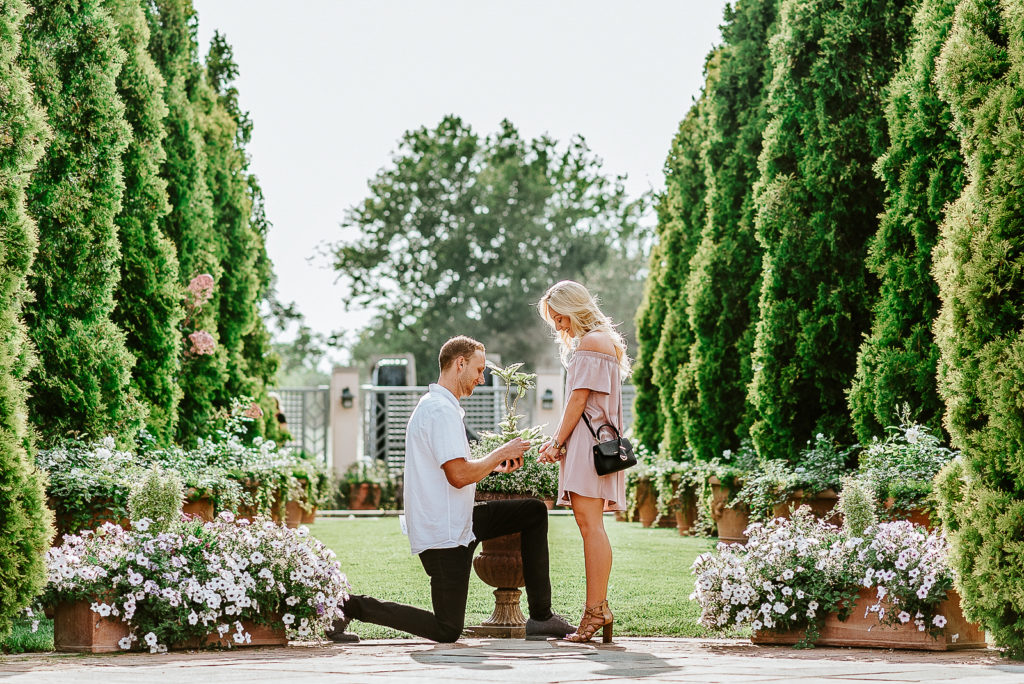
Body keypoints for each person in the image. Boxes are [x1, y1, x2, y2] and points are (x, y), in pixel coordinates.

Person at [328, 335, 572, 643]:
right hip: (443, 536)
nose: (481, 379)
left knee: (533, 512)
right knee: (447, 628)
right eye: (479, 370)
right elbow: (458, 476)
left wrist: (494, 466)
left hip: (460, 522)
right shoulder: (439, 412)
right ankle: (349, 605)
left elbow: (453, 470)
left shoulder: (439, 406)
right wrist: (499, 453)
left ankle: (541, 617)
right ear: (460, 364)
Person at [536, 280, 631, 644]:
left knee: (591, 527)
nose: (559, 327)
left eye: (560, 318)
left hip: (588, 445)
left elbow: (578, 401)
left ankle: (596, 610)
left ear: (574, 309)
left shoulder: (591, 343)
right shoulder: (602, 341)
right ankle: (597, 609)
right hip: (597, 444)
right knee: (591, 525)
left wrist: (557, 442)